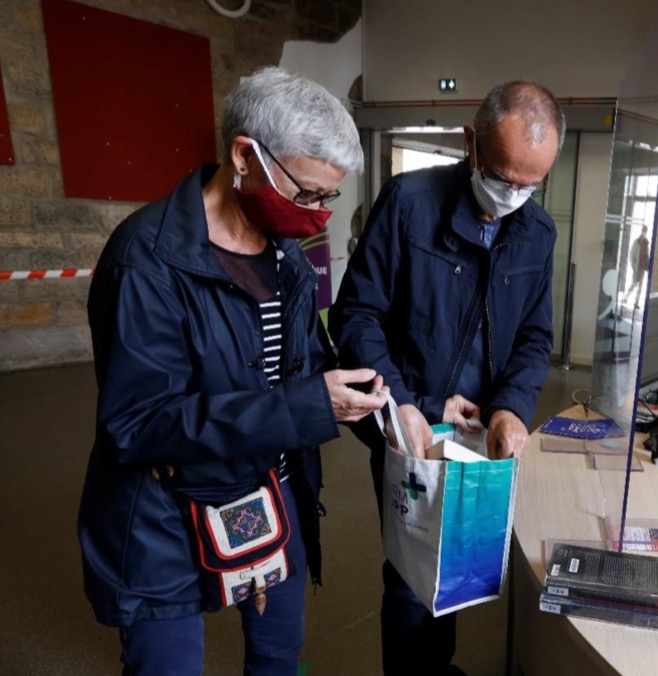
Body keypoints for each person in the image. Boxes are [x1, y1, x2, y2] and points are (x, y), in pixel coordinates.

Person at [78, 67, 388, 675]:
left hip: (272, 490)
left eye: (330, 197)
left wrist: (401, 409)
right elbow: (138, 424)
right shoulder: (145, 261)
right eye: (307, 194)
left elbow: (309, 362)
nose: (319, 214)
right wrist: (307, 407)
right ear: (245, 155)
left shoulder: (285, 257)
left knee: (278, 656)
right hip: (163, 514)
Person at [329, 80, 564, 674]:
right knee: (412, 569)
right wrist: (400, 403)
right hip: (411, 418)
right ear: (471, 143)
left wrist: (511, 406)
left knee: (459, 553)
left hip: (477, 425)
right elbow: (356, 314)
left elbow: (535, 337)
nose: (513, 194)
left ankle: (437, 665)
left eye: (530, 183)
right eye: (503, 175)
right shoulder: (409, 201)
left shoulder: (538, 232)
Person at [624, 225, 650, 309]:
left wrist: (647, 265)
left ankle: (636, 302)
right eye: (644, 230)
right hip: (636, 267)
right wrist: (634, 266)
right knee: (634, 284)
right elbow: (632, 255)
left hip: (642, 267)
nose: (644, 232)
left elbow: (647, 255)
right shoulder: (636, 242)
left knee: (640, 286)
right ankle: (625, 297)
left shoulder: (646, 243)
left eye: (645, 231)